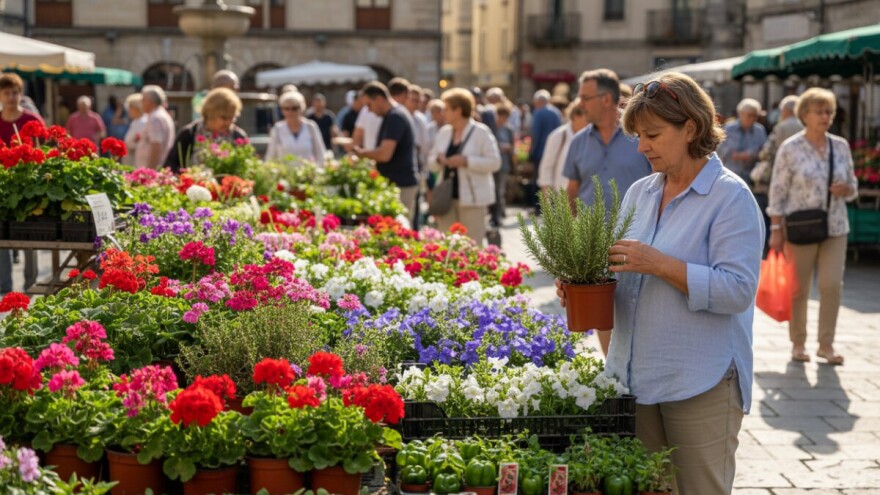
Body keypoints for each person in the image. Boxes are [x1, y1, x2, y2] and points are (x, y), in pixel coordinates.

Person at [558, 72, 764, 494]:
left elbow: (738, 290)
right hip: (636, 380)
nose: (642, 146)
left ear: (690, 128)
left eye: (652, 135)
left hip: (699, 381)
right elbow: (623, 270)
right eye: (638, 136)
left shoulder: (730, 197)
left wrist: (662, 265)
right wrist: (583, 282)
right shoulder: (641, 192)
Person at [767, 87, 858, 366]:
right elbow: (778, 190)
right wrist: (776, 229)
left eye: (829, 111)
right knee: (799, 289)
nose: (825, 117)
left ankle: (826, 345)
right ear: (804, 115)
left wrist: (846, 189)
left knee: (832, 286)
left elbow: (853, 186)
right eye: (819, 111)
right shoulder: (790, 148)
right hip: (800, 227)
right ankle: (798, 343)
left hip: (835, 226)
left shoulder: (840, 146)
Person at [563, 69, 653, 355]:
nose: (580, 104)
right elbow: (572, 190)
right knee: (603, 311)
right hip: (593, 243)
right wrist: (570, 238)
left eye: (585, 97)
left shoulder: (639, 137)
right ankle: (611, 366)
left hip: (638, 240)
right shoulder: (578, 141)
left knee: (639, 309)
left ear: (606, 99)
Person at [428, 88, 501, 243]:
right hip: (446, 199)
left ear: (458, 110)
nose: (443, 113)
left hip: (473, 199)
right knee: (447, 244)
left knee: (472, 244)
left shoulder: (481, 132)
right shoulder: (444, 132)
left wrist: (467, 161)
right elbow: (431, 162)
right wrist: (438, 160)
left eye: (446, 109)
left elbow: (495, 162)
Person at [0, 73, 41, 295]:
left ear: (21, 94)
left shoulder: (31, 120)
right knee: (2, 237)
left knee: (30, 237)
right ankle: (5, 288)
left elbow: (44, 152)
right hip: (2, 186)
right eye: (6, 93)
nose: (11, 97)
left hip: (28, 186)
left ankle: (31, 286)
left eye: (14, 92)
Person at [353, 81, 419, 217]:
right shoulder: (393, 115)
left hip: (401, 184)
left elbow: (384, 155)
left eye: (369, 105)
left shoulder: (395, 117)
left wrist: (360, 153)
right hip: (397, 183)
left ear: (379, 99)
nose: (368, 110)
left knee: (399, 226)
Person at [751, 95, 803, 256]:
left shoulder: (782, 127)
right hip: (799, 179)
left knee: (769, 210)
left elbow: (767, 152)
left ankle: (769, 247)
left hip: (778, 176)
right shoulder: (805, 126)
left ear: (785, 111)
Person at [166, 88, 247, 172]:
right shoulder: (189, 133)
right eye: (224, 118)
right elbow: (171, 166)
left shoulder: (238, 136)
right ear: (210, 114)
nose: (228, 122)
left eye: (232, 118)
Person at [538, 99, 588, 192]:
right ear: (576, 116)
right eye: (587, 116)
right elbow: (546, 170)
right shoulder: (558, 135)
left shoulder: (592, 137)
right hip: (560, 195)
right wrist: (548, 197)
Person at [266, 91, 326, 165]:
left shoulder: (310, 126)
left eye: (295, 108)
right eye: (287, 108)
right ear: (282, 111)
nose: (290, 112)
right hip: (285, 172)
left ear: (302, 108)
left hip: (308, 171)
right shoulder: (277, 129)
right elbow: (270, 156)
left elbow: (321, 154)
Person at [718, 98, 767, 184]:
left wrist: (751, 155)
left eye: (755, 116)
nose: (752, 118)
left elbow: (764, 151)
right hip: (731, 176)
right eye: (749, 115)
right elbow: (720, 150)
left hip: (752, 177)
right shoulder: (729, 129)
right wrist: (737, 155)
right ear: (740, 114)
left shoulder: (759, 130)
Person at [528, 89, 562, 206]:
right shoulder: (556, 113)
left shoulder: (538, 113)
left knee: (540, 180)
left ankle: (539, 206)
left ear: (538, 101)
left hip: (540, 152)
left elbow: (536, 134)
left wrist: (532, 152)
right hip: (556, 152)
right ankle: (552, 205)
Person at [138, 85, 176, 170]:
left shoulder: (156, 118)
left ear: (151, 101)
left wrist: (150, 171)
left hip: (154, 169)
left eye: (143, 99)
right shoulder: (159, 115)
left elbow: (156, 146)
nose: (141, 102)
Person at [490, 103, 515, 227]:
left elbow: (512, 146)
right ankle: (494, 214)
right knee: (493, 190)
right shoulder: (491, 127)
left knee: (500, 190)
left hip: (504, 162)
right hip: (492, 162)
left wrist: (508, 148)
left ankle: (498, 215)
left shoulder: (508, 129)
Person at [123, 93, 147, 167]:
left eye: (130, 107)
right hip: (130, 160)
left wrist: (130, 146)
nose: (129, 110)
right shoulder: (136, 122)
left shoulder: (142, 122)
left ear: (137, 108)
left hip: (137, 161)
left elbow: (143, 143)